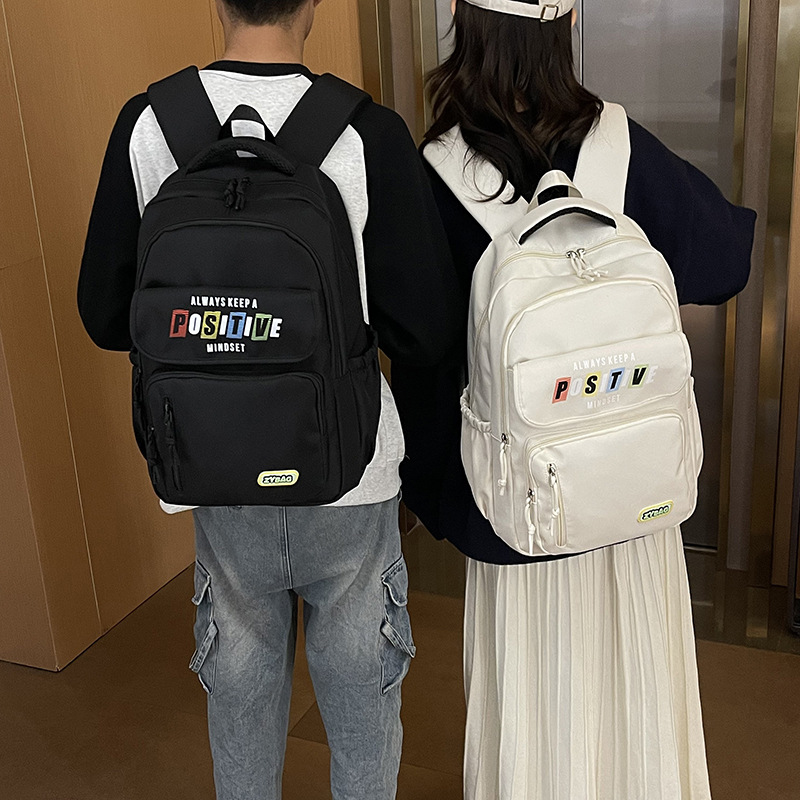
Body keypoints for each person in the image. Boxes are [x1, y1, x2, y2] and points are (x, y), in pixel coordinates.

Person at [77, 0, 459, 797]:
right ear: (313, 3)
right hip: (350, 478)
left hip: (213, 473)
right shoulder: (366, 133)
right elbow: (423, 328)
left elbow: (106, 315)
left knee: (241, 713)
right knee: (363, 718)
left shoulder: (150, 126)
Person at [392, 1, 756, 798]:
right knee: (636, 691)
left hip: (516, 512)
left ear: (466, 27)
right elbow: (726, 260)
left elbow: (420, 354)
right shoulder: (620, 147)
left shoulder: (437, 169)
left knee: (534, 708)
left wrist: (437, 500)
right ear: (564, 29)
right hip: (633, 502)